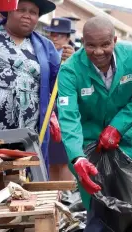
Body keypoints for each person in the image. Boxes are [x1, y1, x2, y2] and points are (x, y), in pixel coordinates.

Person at [57, 16, 132, 232]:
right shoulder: (70, 71)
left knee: (122, 196)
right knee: (96, 199)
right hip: (87, 144)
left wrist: (117, 127)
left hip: (122, 141)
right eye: (90, 45)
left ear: (115, 41)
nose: (98, 52)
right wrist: (77, 157)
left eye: (105, 45)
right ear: (82, 42)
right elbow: (69, 117)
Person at [0, 0, 60, 173]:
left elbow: (58, 84)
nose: (27, 16)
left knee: (22, 178)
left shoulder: (46, 47)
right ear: (9, 11)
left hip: (28, 129)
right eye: (21, 10)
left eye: (33, 12)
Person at [44, 18, 76, 181]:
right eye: (51, 34)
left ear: (67, 37)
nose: (54, 38)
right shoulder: (45, 52)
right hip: (48, 113)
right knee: (50, 160)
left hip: (66, 114)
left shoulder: (77, 55)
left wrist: (73, 59)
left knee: (64, 160)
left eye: (58, 35)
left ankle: (65, 197)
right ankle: (53, 196)